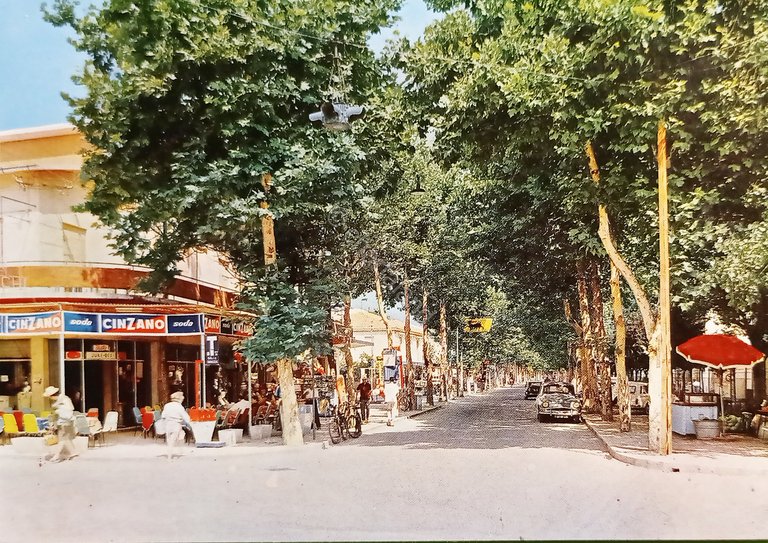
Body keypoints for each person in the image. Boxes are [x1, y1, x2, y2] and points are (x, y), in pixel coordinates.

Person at [43, 386, 77, 462]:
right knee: (66, 439)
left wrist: (59, 409)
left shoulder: (64, 399)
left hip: (65, 421)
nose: (50, 399)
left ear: (53, 395)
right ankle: (73, 453)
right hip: (63, 421)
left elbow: (70, 409)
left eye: (50, 397)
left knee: (62, 439)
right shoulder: (60, 400)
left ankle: (57, 455)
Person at [161, 391, 191, 459]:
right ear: (179, 399)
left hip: (168, 424)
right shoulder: (179, 406)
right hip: (176, 424)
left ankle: (177, 451)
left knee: (170, 439)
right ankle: (170, 456)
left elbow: (163, 415)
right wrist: (189, 422)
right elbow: (185, 416)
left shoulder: (167, 405)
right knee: (173, 440)